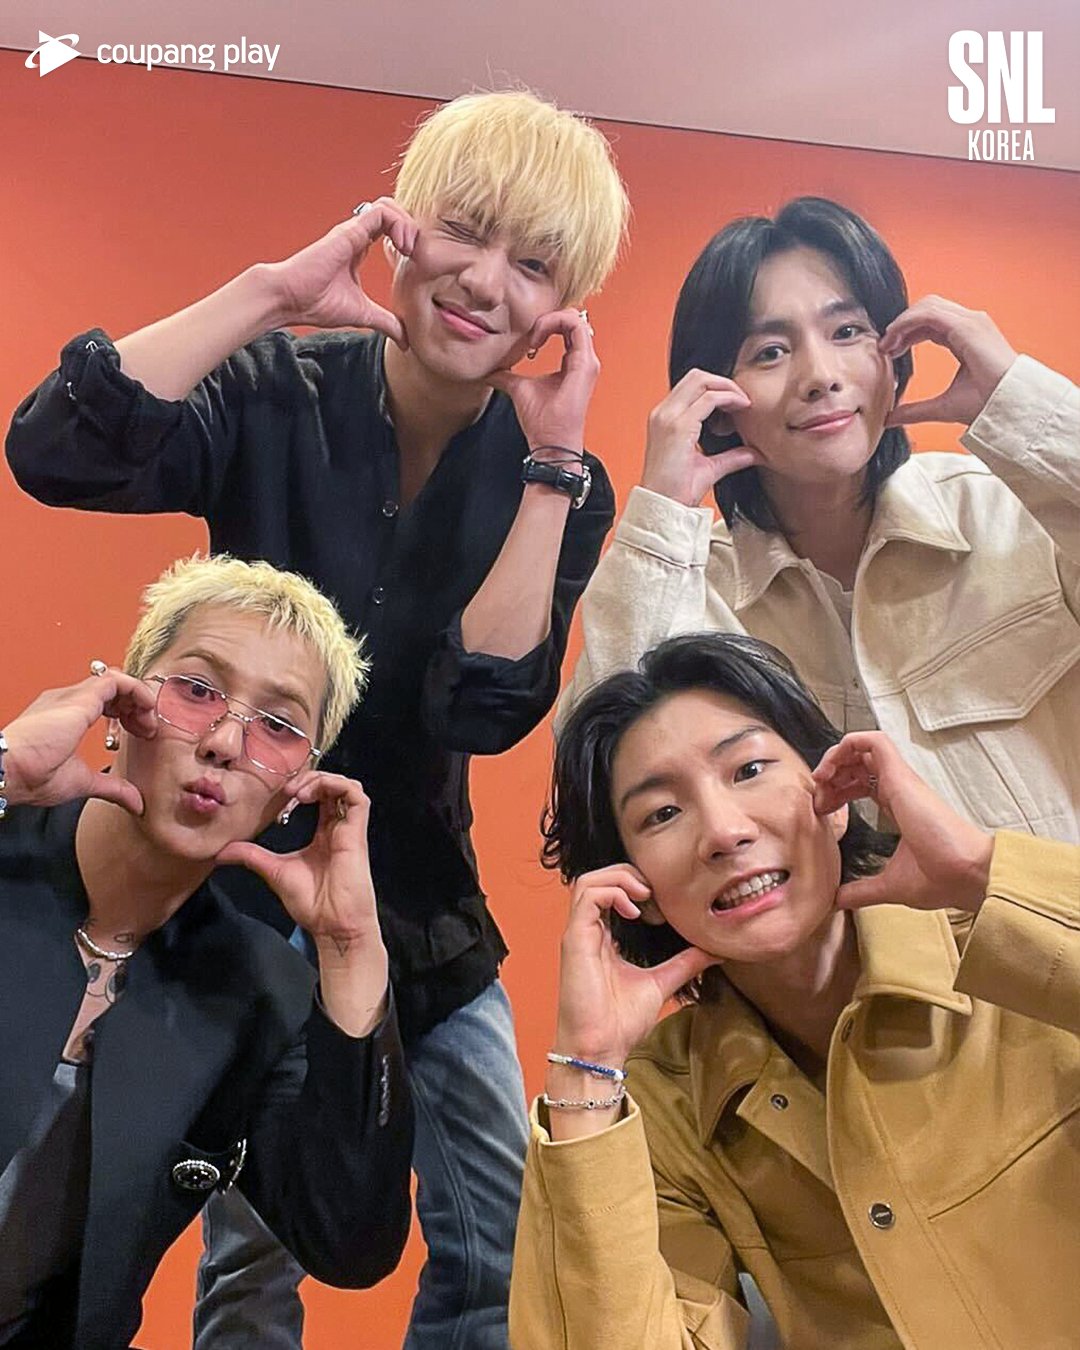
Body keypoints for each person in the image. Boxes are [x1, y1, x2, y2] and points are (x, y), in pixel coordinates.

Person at [5, 90, 629, 1346]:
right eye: (465, 231)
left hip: (419, 915)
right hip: (230, 900)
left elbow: (486, 708)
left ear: (564, 307)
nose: (484, 281)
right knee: (255, 1255)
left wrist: (553, 470)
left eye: (534, 264)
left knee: (499, 1238)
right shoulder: (276, 384)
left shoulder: (556, 476)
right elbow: (56, 451)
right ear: (400, 225)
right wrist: (266, 295)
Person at [510, 631, 1080, 1349]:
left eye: (748, 769)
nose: (724, 831)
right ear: (638, 892)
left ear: (834, 796)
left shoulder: (1009, 951)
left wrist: (977, 871)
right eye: (662, 814)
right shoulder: (663, 1106)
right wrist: (585, 1069)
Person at [557, 196, 1080, 843]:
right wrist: (661, 512)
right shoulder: (695, 590)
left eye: (848, 332)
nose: (820, 376)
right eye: (770, 351)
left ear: (895, 356)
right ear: (718, 402)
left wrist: (1021, 400)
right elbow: (602, 769)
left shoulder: (1010, 510)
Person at [0, 554, 412, 1350]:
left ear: (299, 788)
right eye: (196, 690)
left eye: (279, 727)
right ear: (121, 704)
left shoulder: (254, 994)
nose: (224, 742)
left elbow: (350, 1240)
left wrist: (351, 949)